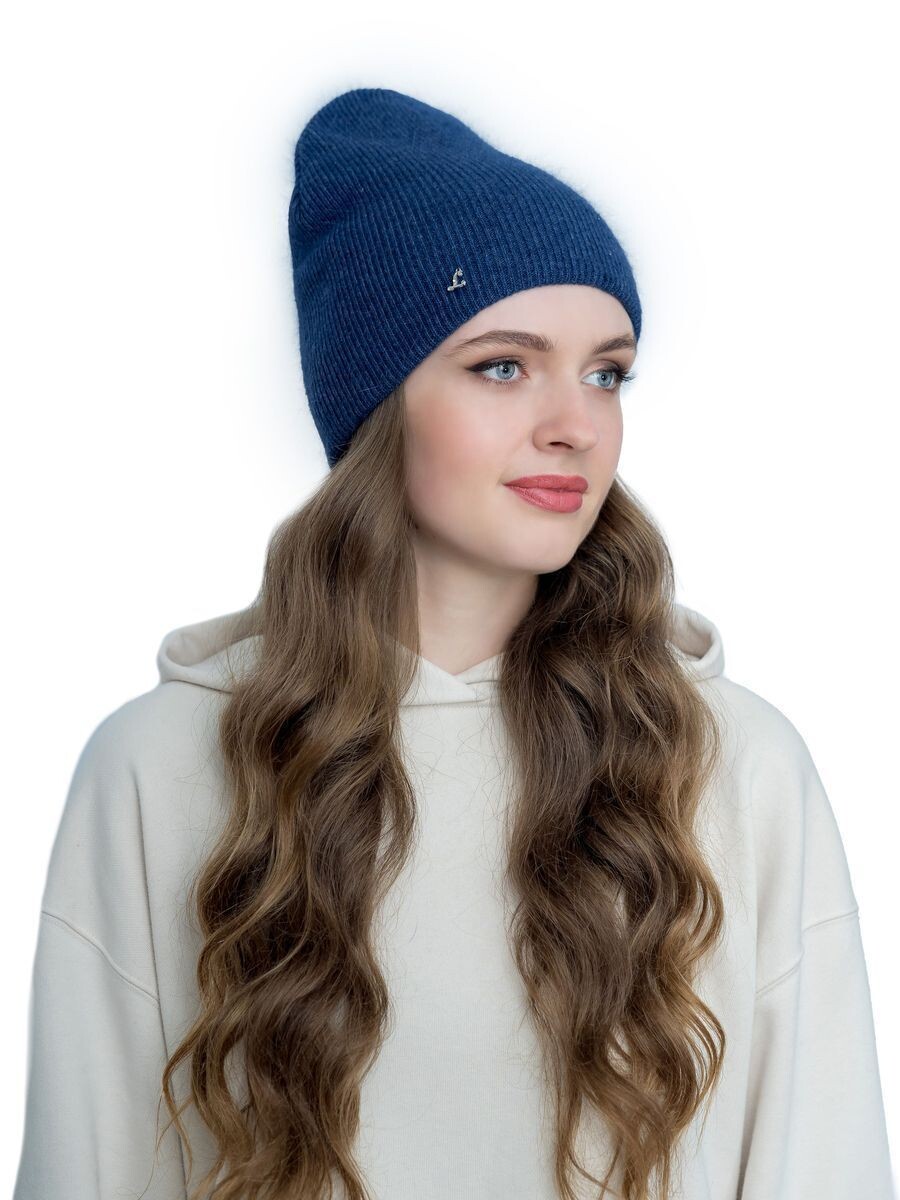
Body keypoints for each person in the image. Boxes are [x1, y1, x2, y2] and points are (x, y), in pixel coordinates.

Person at [12, 87, 895, 1200]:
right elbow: (85, 1168)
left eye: (607, 373)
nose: (576, 424)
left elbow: (826, 1166)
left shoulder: (735, 764)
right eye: (503, 366)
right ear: (377, 401)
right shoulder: (159, 766)